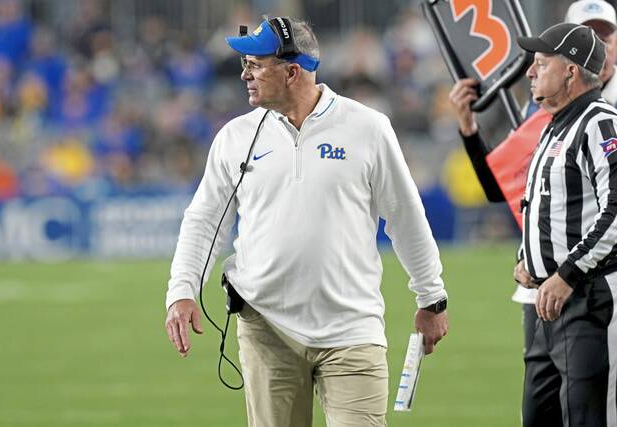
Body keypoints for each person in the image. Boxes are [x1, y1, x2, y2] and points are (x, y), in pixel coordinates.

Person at [164, 16, 449, 426]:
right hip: (267, 330)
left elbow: (405, 217)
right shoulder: (234, 137)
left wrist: (431, 298)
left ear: (292, 71)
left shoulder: (367, 129)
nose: (244, 74)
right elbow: (205, 221)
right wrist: (183, 289)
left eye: (256, 64)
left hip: (352, 330)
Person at [448, 0, 617, 354]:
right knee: (545, 405)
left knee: (596, 403)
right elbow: (508, 187)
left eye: (605, 37)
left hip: (599, 283)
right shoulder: (547, 106)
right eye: (587, 37)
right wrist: (469, 129)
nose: (597, 48)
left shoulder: (594, 114)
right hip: (544, 283)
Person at [515, 22, 617, 426]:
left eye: (541, 62)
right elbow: (547, 205)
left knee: (586, 417)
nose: (530, 71)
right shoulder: (555, 123)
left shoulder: (600, 122)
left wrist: (568, 273)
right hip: (549, 302)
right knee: (538, 416)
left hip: (586, 297)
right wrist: (529, 258)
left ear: (571, 71)